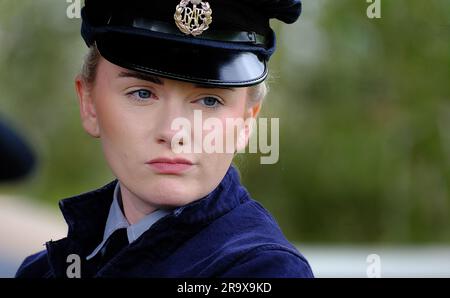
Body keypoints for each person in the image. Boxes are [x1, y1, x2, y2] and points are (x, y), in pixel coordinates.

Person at [15, 0, 313, 278]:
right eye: (142, 94)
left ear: (247, 121)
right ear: (89, 104)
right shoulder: (41, 272)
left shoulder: (263, 271)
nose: (174, 131)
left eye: (209, 100)